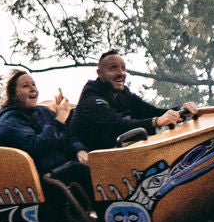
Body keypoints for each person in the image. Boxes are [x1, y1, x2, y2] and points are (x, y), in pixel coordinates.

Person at [0, 69, 94, 222]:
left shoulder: (42, 112)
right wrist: (58, 121)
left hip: (60, 166)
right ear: (13, 95)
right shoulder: (8, 122)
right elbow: (35, 148)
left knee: (100, 162)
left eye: (34, 84)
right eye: (25, 86)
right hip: (40, 177)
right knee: (80, 171)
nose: (33, 89)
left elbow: (68, 136)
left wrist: (79, 149)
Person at [67, 50, 200, 150]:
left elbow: (152, 111)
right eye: (114, 68)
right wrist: (156, 122)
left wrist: (182, 110)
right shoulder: (91, 97)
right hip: (92, 157)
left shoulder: (124, 94)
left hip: (119, 155)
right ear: (100, 73)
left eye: (123, 68)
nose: (121, 73)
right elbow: (115, 125)